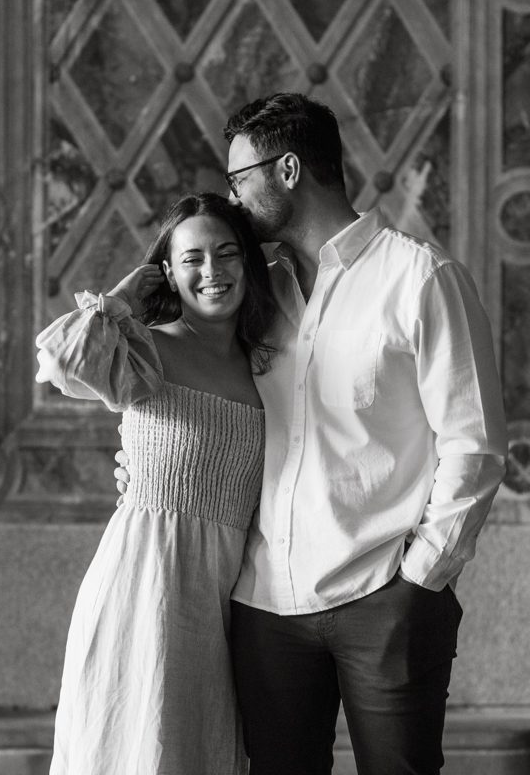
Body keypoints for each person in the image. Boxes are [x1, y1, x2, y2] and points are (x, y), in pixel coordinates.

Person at [120, 93, 509, 775]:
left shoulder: (418, 278)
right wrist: (144, 463)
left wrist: (418, 583)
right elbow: (196, 398)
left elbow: (474, 446)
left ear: (290, 170)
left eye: (241, 180)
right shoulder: (252, 295)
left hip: (385, 597)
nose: (233, 201)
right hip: (264, 606)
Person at [36, 193, 276, 775]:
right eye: (191, 259)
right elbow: (60, 364)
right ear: (167, 272)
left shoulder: (269, 364)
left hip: (228, 602)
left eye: (226, 254)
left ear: (248, 261)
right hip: (144, 588)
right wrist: (121, 300)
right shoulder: (149, 350)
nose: (212, 272)